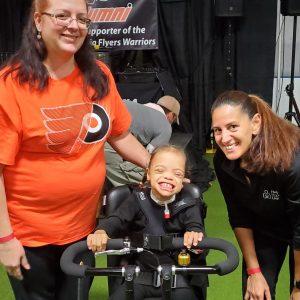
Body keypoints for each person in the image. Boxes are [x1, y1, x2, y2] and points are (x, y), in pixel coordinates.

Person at [0, 0, 150, 299]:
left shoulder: (99, 75)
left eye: (82, 19)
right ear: (38, 21)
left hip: (84, 232)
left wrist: (156, 166)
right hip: (30, 236)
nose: (74, 25)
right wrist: (5, 239)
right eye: (62, 16)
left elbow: (119, 135)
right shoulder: (11, 84)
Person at [211, 90, 300, 300]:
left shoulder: (292, 162)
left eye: (233, 127)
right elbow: (238, 214)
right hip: (267, 227)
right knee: (255, 295)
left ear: (255, 123)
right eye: (217, 130)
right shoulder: (224, 162)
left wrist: (298, 285)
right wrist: (254, 272)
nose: (224, 138)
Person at [88, 145, 207, 300]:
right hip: (140, 276)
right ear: (148, 174)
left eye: (176, 174)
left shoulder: (189, 204)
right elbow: (117, 220)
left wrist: (195, 234)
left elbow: (195, 226)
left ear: (184, 180)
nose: (168, 176)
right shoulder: (137, 199)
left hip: (177, 278)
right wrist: (102, 231)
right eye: (160, 170)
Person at [105, 96, 181, 186]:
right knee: (146, 180)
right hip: (109, 139)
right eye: (174, 121)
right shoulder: (166, 127)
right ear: (172, 115)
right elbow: (151, 153)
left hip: (95, 130)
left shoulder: (139, 107)